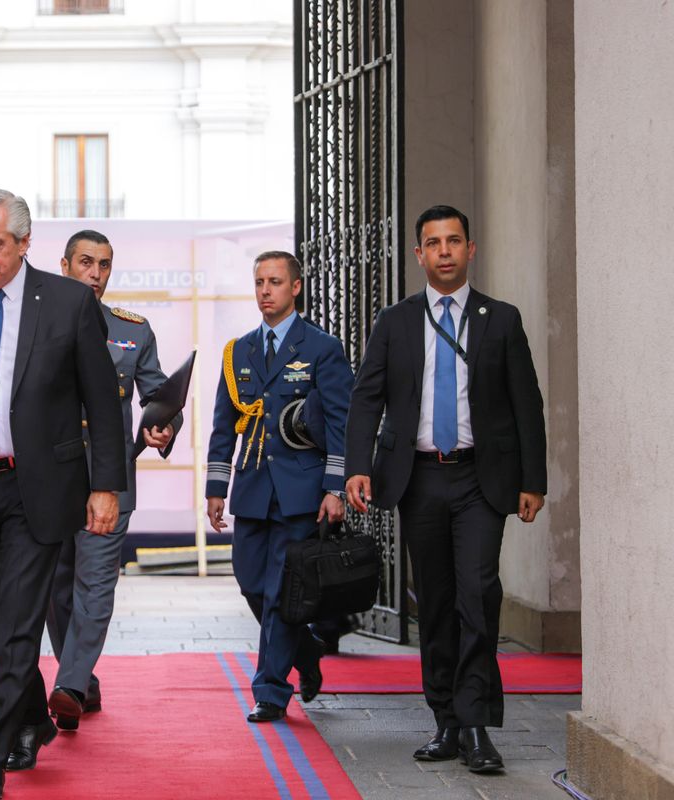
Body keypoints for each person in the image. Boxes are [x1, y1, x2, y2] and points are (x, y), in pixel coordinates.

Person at [0, 190, 126, 799]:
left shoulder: (67, 301)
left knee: (17, 619)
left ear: (24, 242)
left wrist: (106, 487)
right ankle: (34, 718)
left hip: (40, 485)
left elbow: (102, 400)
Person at [344, 205, 546, 774]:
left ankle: (478, 723)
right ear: (420, 255)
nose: (445, 251)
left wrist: (534, 480)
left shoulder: (500, 319)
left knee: (478, 592)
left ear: (470, 249)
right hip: (420, 476)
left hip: (482, 477)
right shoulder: (395, 321)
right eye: (433, 243)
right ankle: (446, 721)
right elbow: (367, 398)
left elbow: (525, 404)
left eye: (454, 241)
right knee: (434, 600)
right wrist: (357, 466)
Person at [205, 251, 353, 723]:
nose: (265, 290)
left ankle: (270, 689)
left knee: (281, 593)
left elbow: (339, 421)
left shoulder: (321, 348)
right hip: (252, 488)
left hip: (300, 490)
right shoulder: (239, 351)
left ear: (296, 288)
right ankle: (305, 652)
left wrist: (334, 487)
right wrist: (216, 487)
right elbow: (223, 426)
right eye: (259, 282)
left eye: (274, 281)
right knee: (252, 583)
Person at [44, 229, 180, 730]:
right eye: (85, 262)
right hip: (52, 478)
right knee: (57, 591)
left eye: (104, 265)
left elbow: (158, 394)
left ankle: (69, 686)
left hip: (109, 475)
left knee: (95, 586)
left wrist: (165, 425)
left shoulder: (133, 330)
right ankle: (81, 679)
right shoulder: (35, 325)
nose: (95, 274)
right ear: (64, 265)